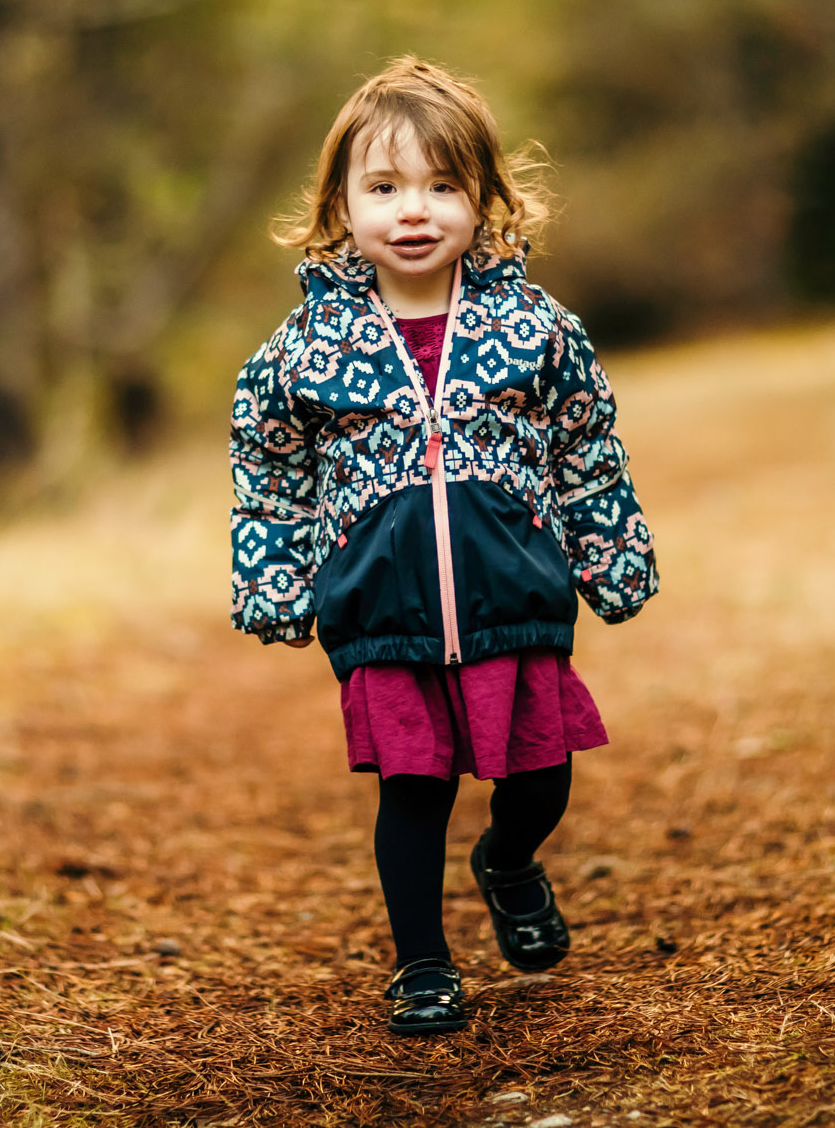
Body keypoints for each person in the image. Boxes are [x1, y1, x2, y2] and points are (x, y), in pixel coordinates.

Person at [230, 56, 659, 1034]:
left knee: (540, 776)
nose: (412, 210)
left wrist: (610, 552)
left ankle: (507, 860)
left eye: (440, 186)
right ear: (340, 205)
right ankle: (420, 962)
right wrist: (276, 579)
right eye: (382, 187)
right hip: (380, 607)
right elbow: (267, 471)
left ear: (483, 201)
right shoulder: (301, 349)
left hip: (512, 593)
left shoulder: (535, 328)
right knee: (412, 790)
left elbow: (585, 447)